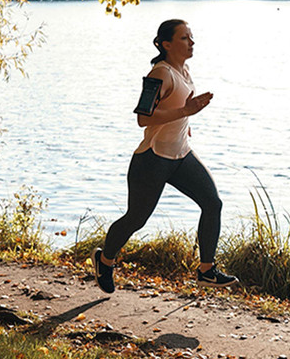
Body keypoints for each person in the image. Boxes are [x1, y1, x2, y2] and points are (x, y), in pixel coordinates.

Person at [92, 19, 238, 294]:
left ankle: (206, 271)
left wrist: (185, 122)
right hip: (152, 159)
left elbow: (174, 107)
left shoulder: (184, 70)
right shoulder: (160, 73)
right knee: (136, 219)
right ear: (166, 44)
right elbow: (143, 118)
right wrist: (185, 112)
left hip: (181, 155)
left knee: (212, 203)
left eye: (191, 37)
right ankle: (105, 259)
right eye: (185, 38)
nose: (192, 42)